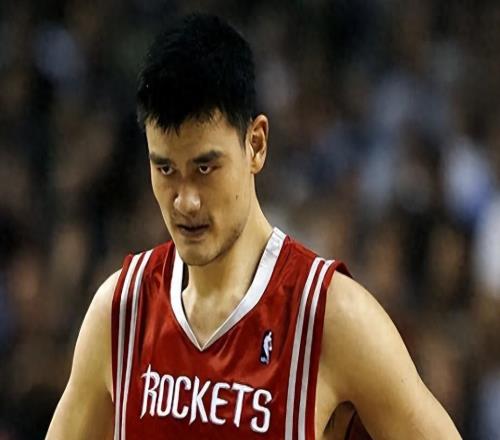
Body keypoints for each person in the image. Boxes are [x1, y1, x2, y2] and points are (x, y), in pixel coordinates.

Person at [46, 13, 461, 440]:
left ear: (256, 145)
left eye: (205, 167)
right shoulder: (121, 313)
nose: (185, 200)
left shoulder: (332, 318)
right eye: (166, 169)